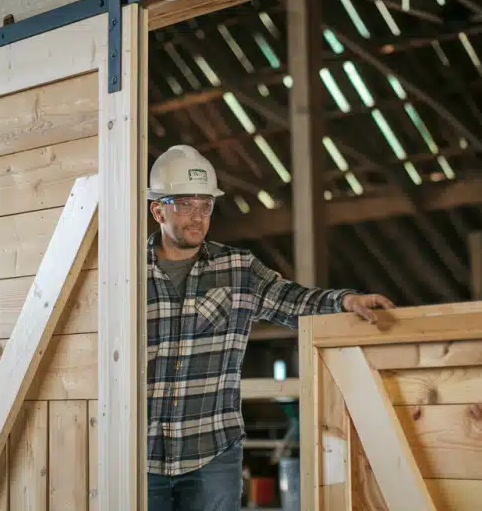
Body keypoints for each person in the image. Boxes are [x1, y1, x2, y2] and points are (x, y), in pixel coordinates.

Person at [145, 145, 394, 511]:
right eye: (184, 204)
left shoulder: (238, 269)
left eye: (206, 205)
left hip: (212, 455)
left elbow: (292, 299)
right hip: (140, 454)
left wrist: (344, 301)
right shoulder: (125, 273)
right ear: (158, 210)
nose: (197, 217)